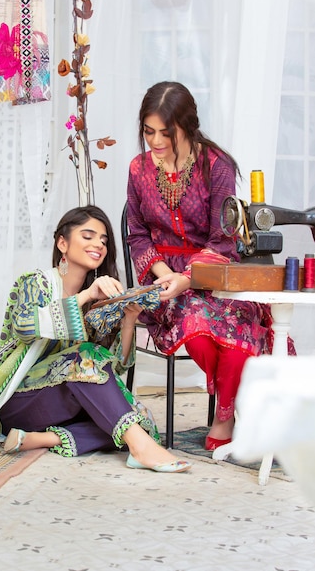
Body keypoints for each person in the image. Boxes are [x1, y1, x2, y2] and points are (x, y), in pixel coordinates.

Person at [0, 205, 191, 473]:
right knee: (88, 361)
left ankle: (44, 439)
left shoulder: (100, 301)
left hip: (62, 403)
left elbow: (115, 368)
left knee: (141, 418)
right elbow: (24, 326)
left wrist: (128, 319)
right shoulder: (35, 282)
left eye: (103, 240)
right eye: (88, 236)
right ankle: (139, 450)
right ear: (62, 243)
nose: (98, 244)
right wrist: (85, 296)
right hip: (17, 400)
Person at [126, 81, 294, 452]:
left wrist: (189, 278)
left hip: (216, 273)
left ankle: (224, 415)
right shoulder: (138, 170)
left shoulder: (217, 166)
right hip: (164, 280)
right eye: (148, 131)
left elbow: (222, 238)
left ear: (187, 125)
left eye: (165, 133)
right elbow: (137, 235)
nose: (155, 141)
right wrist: (164, 275)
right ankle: (234, 406)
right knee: (199, 334)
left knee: (236, 331)